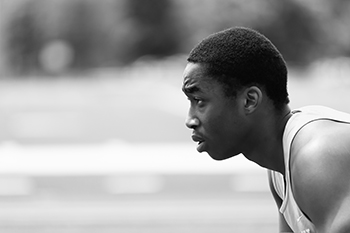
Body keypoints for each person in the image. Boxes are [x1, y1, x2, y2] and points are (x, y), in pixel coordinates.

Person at [181, 26, 350, 233]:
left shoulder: (317, 157)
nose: (190, 120)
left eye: (199, 100)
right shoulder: (279, 167)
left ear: (250, 100)